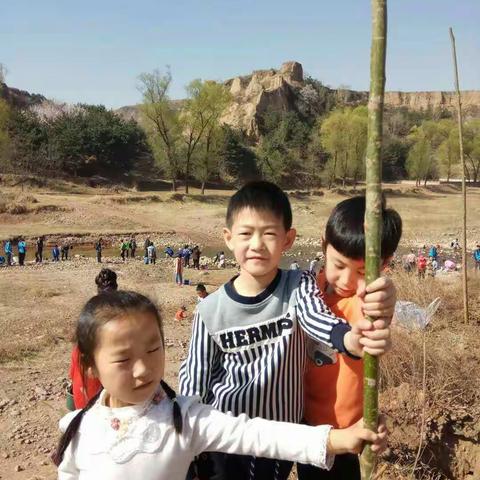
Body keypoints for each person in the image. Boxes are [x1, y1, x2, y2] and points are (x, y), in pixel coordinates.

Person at [179, 181, 395, 480]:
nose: (256, 244)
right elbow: (195, 377)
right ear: (228, 238)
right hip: (226, 437)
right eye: (246, 234)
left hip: (285, 435)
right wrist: (183, 436)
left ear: (288, 240)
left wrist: (347, 339)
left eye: (268, 234)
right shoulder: (209, 310)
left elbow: (316, 317)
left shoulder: (298, 286)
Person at [54, 290, 387, 480]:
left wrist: (340, 438)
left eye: (154, 349)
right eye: (123, 360)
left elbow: (259, 435)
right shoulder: (75, 429)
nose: (143, 369)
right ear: (90, 365)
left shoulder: (184, 419)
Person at [299, 195, 402, 480]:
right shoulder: (310, 288)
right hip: (304, 427)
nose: (346, 280)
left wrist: (386, 296)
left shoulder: (367, 304)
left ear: (383, 264)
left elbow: (380, 312)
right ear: (323, 245)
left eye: (360, 271)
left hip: (346, 435)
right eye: (339, 265)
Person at [69, 269, 118, 409]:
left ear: (97, 290)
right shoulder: (121, 314)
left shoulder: (89, 311)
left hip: (85, 381)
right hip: (109, 385)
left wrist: (73, 377)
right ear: (116, 289)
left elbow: (77, 351)